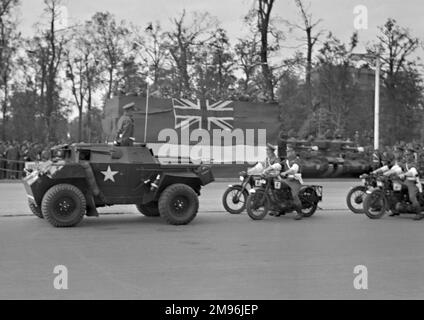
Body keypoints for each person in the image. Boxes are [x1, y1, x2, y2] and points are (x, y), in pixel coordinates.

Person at [264, 145, 304, 220]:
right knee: (277, 188)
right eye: (287, 151)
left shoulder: (296, 160)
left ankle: (300, 213)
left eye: (289, 151)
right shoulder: (286, 160)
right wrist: (269, 168)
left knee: (294, 195)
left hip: (295, 181)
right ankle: (281, 208)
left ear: (293, 152)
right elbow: (278, 165)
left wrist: (286, 172)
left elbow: (294, 169)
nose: (287, 152)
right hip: (287, 180)